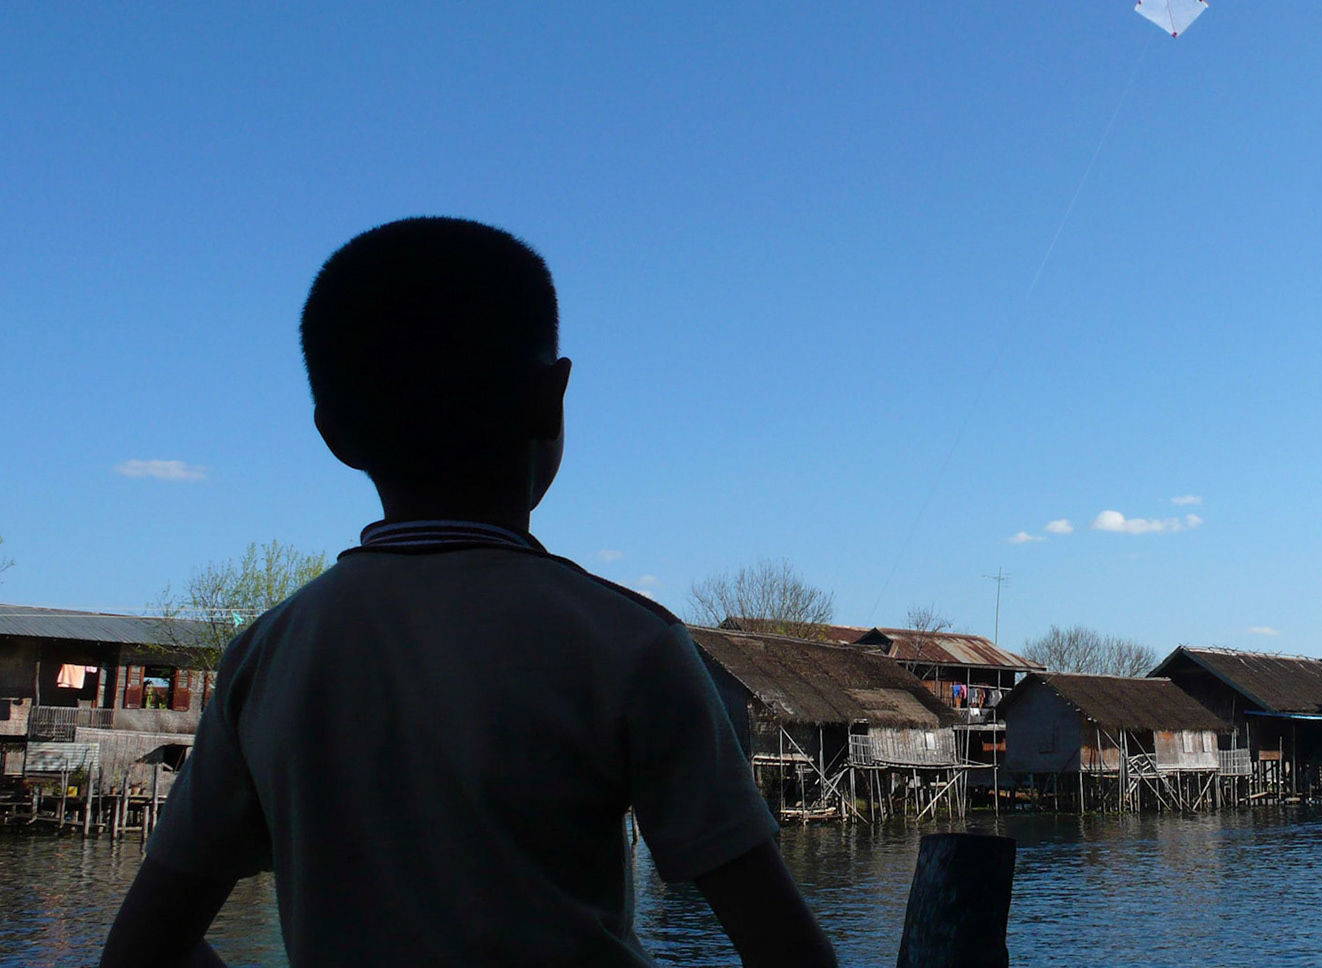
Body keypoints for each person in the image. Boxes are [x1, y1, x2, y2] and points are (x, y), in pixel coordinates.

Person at [102, 218, 837, 968]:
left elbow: (142, 951)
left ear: (334, 436)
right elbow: (787, 949)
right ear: (551, 399)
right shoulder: (628, 643)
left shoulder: (269, 652)